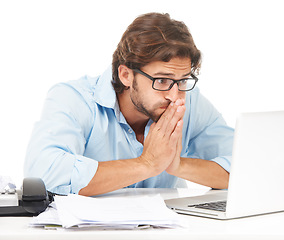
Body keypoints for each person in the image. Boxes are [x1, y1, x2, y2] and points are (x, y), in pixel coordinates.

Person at [24, 12, 234, 196]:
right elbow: (43, 174)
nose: (174, 95)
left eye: (182, 81)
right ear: (126, 75)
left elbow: (245, 168)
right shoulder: (73, 98)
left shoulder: (188, 99)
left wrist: (178, 166)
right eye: (162, 80)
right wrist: (147, 164)